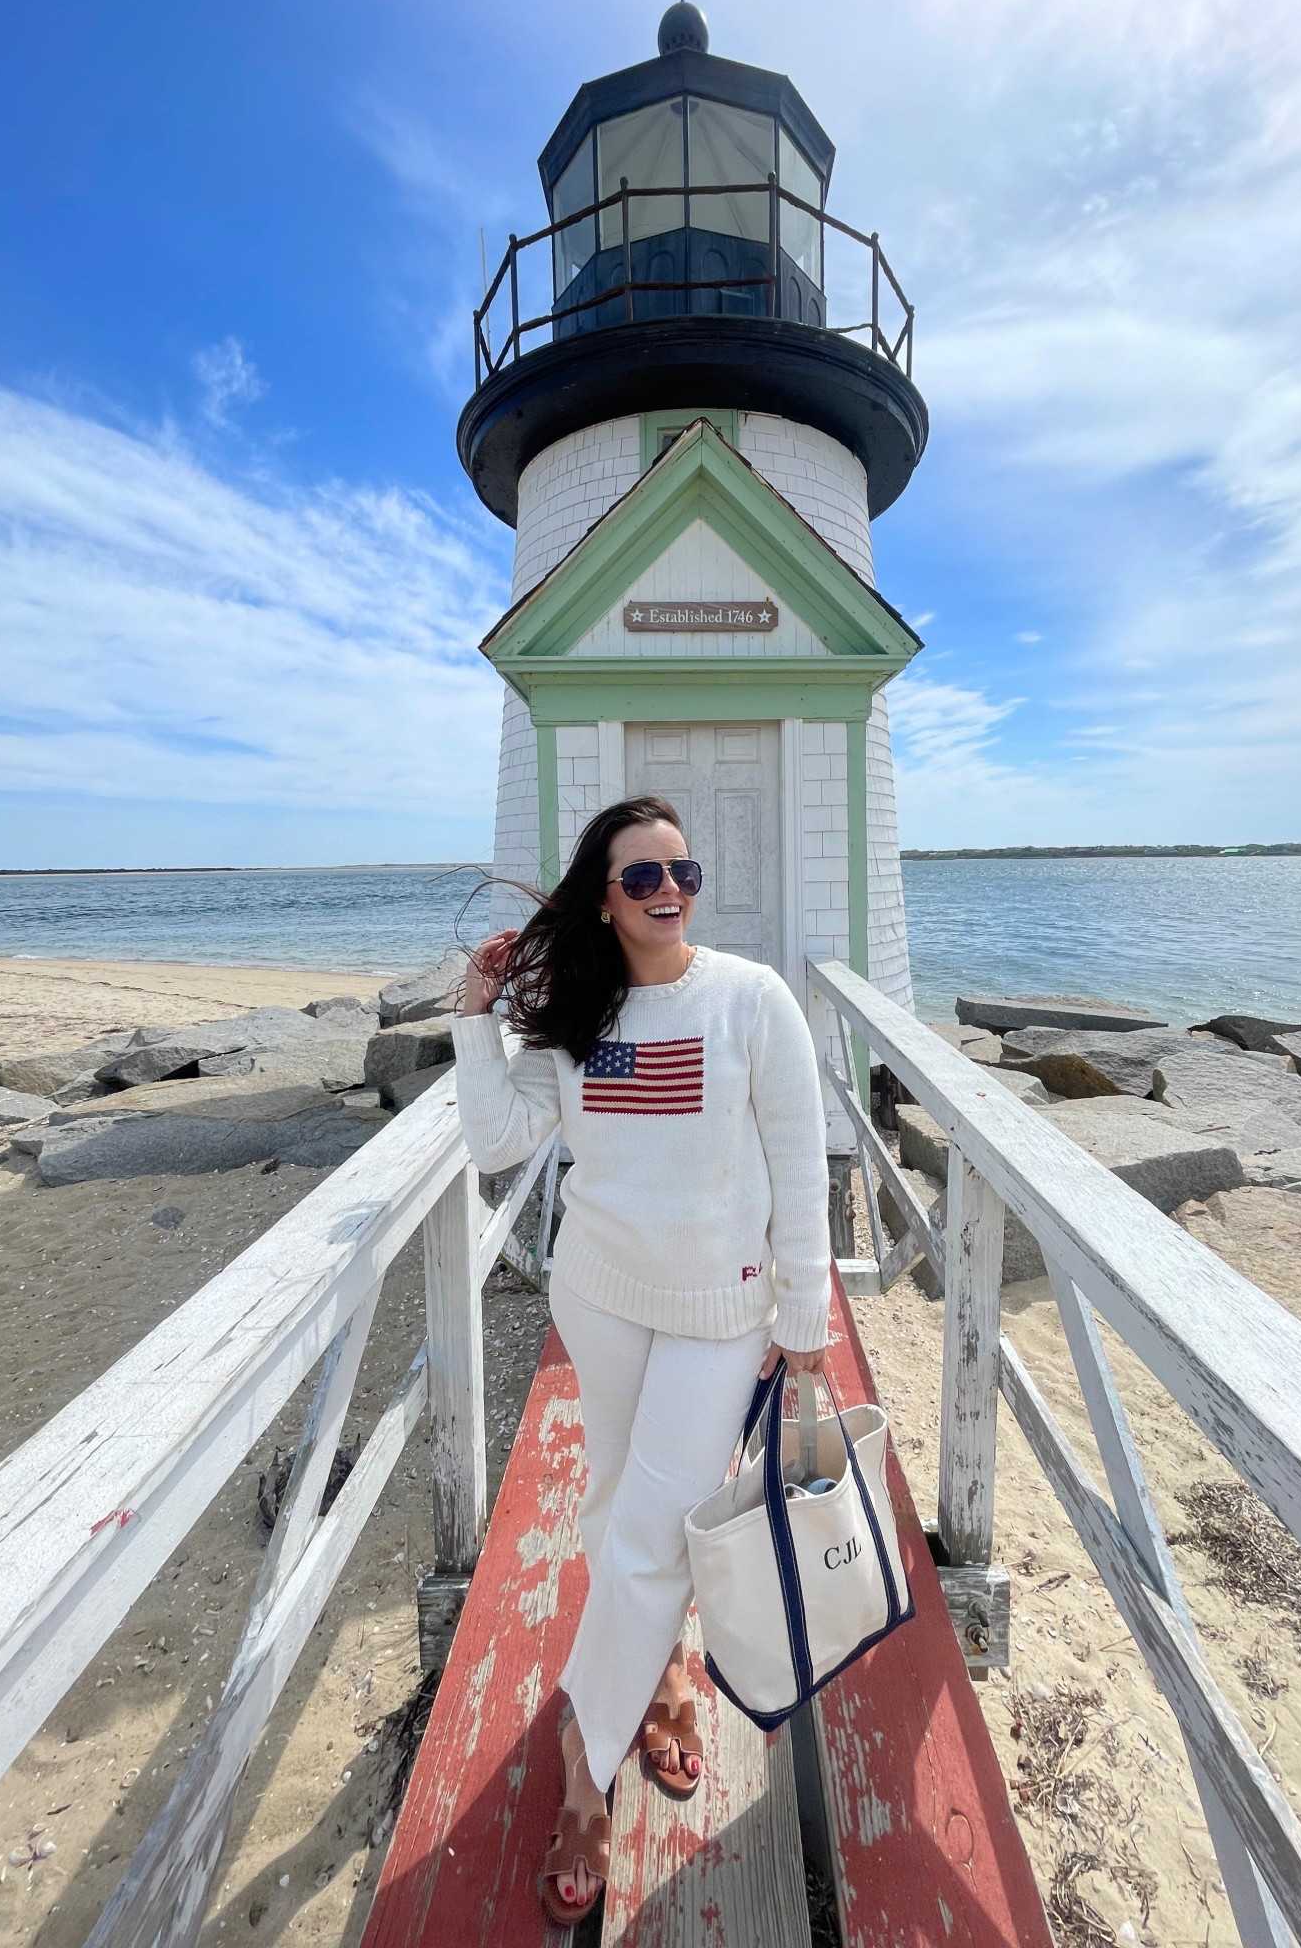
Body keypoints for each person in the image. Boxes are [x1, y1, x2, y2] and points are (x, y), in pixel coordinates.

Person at [452, 793, 831, 1927]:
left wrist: (805, 1321)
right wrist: (479, 1016)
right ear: (603, 898)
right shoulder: (582, 1013)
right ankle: (663, 1672)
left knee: (656, 1532)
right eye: (642, 878)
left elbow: (799, 1162)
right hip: (604, 1298)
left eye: (683, 872)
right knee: (617, 1503)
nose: (669, 893)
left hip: (722, 1308)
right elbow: (493, 1139)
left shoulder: (752, 1001)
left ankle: (584, 1748)